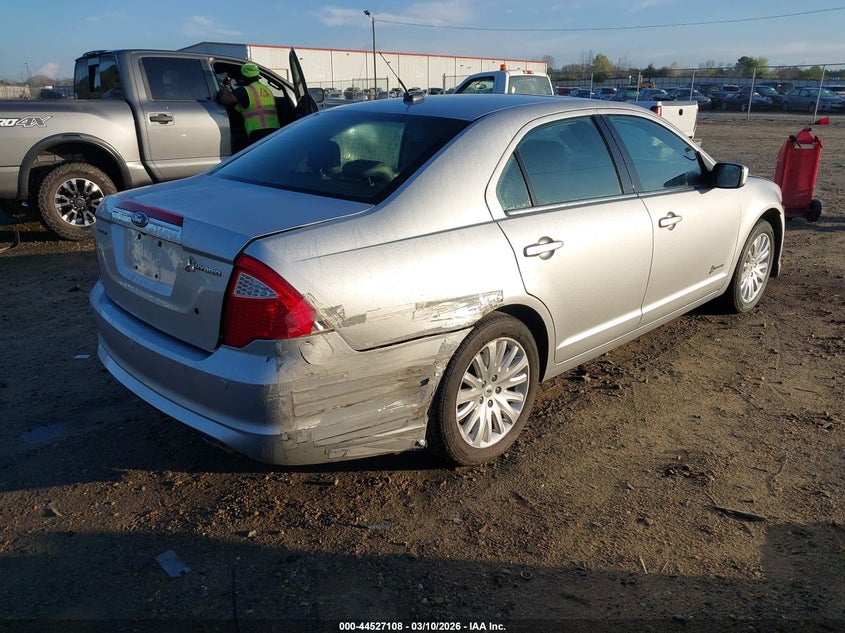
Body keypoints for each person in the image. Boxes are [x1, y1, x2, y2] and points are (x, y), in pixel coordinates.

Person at [217, 62, 280, 146]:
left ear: (243, 77)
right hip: (275, 131)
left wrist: (226, 86)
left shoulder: (245, 91)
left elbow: (224, 100)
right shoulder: (266, 90)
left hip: (258, 133)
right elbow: (244, 107)